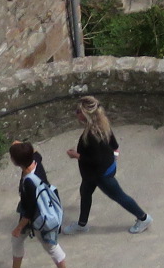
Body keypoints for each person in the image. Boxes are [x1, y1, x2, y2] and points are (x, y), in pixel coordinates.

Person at [65, 97, 152, 234]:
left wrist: (76, 155)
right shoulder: (102, 124)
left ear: (86, 114)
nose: (76, 114)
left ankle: (143, 218)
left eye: (78, 111)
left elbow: (96, 160)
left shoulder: (92, 134)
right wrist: (114, 158)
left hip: (100, 174)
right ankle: (82, 224)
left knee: (119, 196)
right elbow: (114, 145)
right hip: (95, 173)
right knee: (85, 192)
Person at [0, 140, 71, 268]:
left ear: (16, 162)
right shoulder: (35, 161)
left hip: (39, 217)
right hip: (34, 212)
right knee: (16, 241)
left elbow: (30, 211)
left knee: (50, 245)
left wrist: (19, 227)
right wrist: (22, 145)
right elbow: (37, 154)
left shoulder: (30, 182)